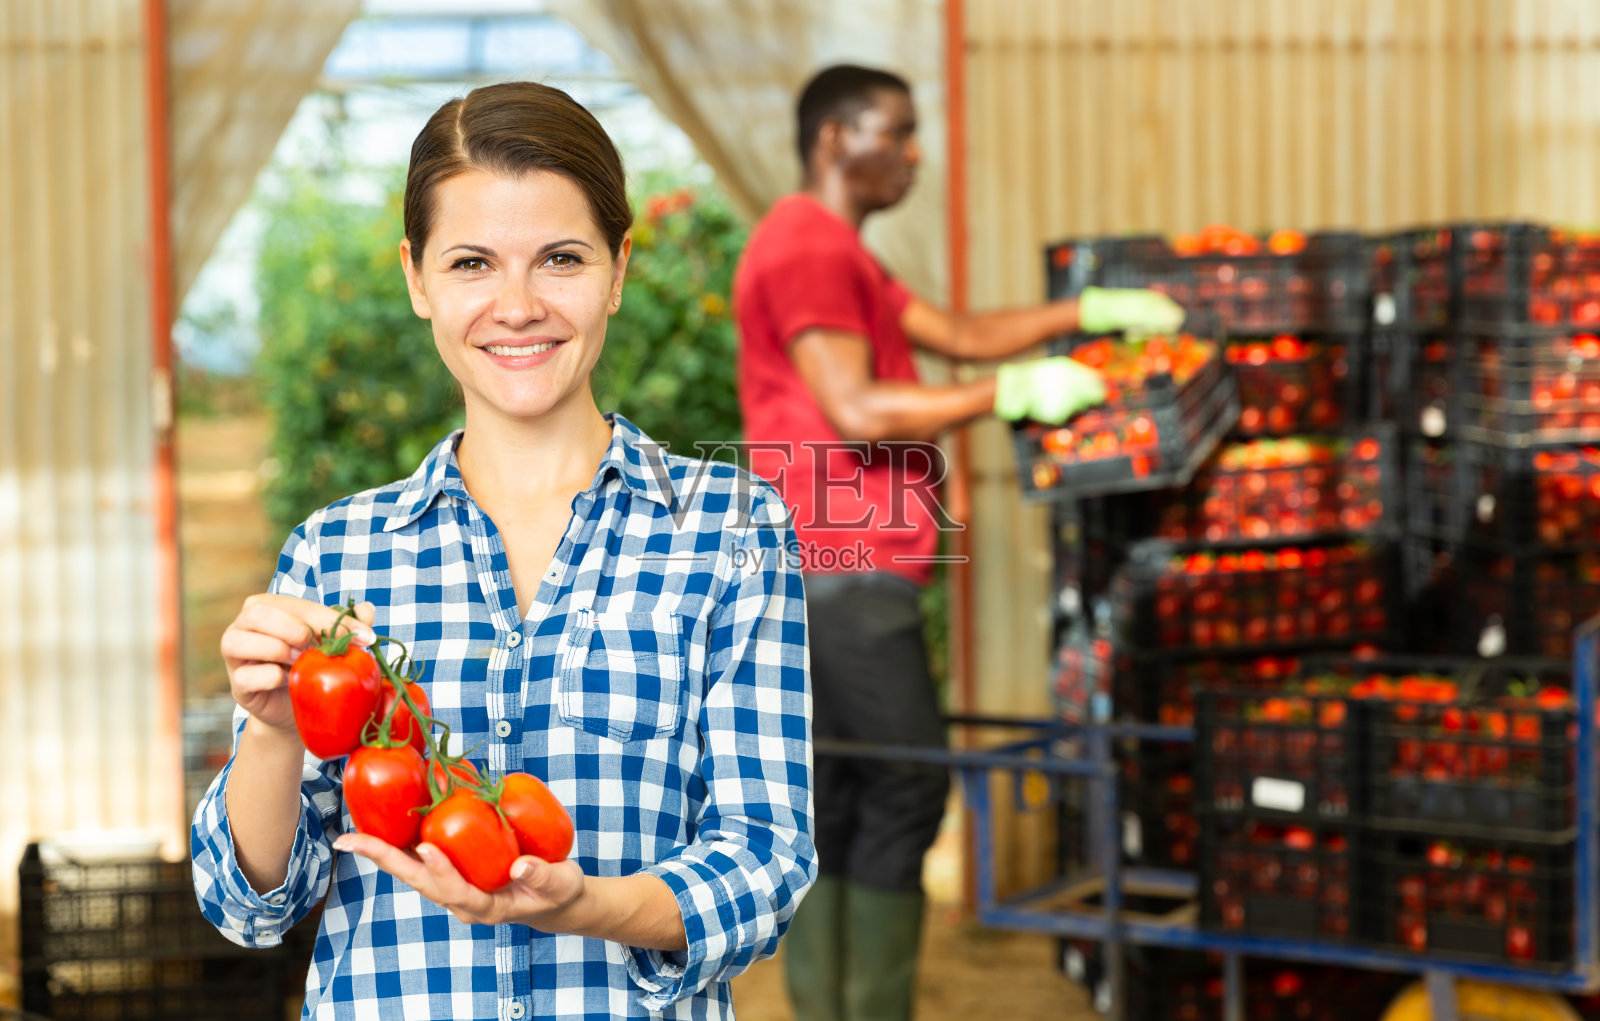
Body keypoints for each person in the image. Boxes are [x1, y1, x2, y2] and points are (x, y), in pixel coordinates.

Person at [191, 81, 815, 1020]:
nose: (516, 306)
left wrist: (589, 905)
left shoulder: (731, 529)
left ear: (616, 268)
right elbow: (249, 906)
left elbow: (767, 856)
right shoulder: (337, 553)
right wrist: (277, 730)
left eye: (559, 258)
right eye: (472, 262)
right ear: (416, 278)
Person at [732, 64, 1182, 1021]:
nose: (914, 152)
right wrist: (1009, 396)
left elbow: (962, 331)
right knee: (902, 780)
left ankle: (840, 1010)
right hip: (837, 567)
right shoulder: (807, 248)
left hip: (833, 571)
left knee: (849, 793)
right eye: (895, 131)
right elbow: (856, 412)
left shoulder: (841, 252)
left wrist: (1083, 319)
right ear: (833, 140)